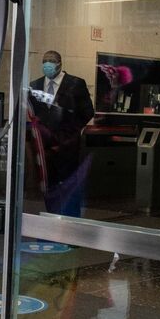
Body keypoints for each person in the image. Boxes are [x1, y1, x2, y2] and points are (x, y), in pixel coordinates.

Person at [28, 50, 95, 215]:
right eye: (45, 61)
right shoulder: (34, 86)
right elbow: (33, 115)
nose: (47, 65)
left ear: (60, 64)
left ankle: (69, 221)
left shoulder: (75, 84)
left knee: (69, 186)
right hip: (45, 150)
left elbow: (87, 113)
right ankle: (49, 219)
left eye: (51, 61)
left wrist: (67, 136)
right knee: (47, 188)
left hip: (68, 147)